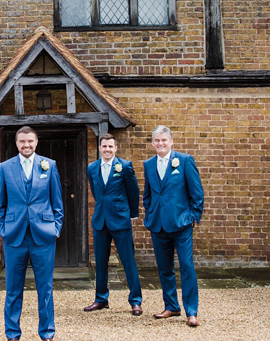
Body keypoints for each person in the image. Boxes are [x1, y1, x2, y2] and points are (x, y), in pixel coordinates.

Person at [0, 125, 63, 341]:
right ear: (16, 144)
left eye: (30, 141)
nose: (26, 145)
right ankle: (12, 335)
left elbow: (57, 203)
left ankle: (47, 334)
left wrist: (55, 228)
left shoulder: (49, 165)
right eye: (22, 142)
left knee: (45, 287)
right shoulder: (5, 168)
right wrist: (4, 230)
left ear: (36, 142)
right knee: (13, 288)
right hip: (14, 236)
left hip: (43, 235)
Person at [142, 125, 204, 327]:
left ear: (171, 141)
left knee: (187, 267)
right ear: (153, 143)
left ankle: (191, 311)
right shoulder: (149, 164)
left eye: (164, 140)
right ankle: (171, 306)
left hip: (181, 223)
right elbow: (148, 194)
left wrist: (193, 216)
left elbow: (196, 192)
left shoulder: (185, 161)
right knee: (164, 268)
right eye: (157, 141)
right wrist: (149, 211)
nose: (160, 144)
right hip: (158, 224)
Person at [83, 133, 143, 315]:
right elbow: (96, 191)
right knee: (100, 262)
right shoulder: (92, 168)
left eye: (110, 146)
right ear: (100, 148)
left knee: (128, 261)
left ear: (115, 148)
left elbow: (133, 191)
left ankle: (136, 300)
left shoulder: (124, 166)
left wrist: (132, 215)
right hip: (100, 221)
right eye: (104, 146)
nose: (107, 149)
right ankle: (101, 299)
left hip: (120, 220)